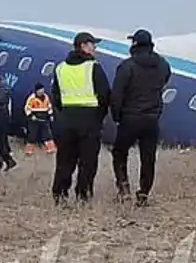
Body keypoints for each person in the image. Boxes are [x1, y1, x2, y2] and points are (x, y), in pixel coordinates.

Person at [110, 29, 171, 206]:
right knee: (148, 157)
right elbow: (165, 79)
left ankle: (124, 188)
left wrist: (116, 116)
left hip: (130, 117)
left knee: (119, 153)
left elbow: (117, 94)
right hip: (152, 119)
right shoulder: (162, 64)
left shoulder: (127, 66)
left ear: (135, 44)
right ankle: (143, 194)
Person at [51, 32, 111, 205]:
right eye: (93, 44)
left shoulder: (61, 68)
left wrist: (63, 113)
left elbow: (55, 95)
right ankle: (83, 196)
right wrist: (99, 117)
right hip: (89, 120)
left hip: (66, 120)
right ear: (83, 46)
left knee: (64, 160)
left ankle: (60, 195)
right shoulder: (93, 67)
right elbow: (104, 95)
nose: (95, 48)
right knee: (88, 161)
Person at [23, 83, 56, 155]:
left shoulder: (46, 97)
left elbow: (49, 106)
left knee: (47, 134)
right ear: (36, 91)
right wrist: (31, 116)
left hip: (44, 118)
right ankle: (29, 150)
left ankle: (51, 148)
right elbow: (27, 108)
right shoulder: (32, 98)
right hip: (34, 119)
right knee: (32, 134)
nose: (42, 91)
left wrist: (50, 115)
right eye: (40, 90)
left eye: (42, 90)